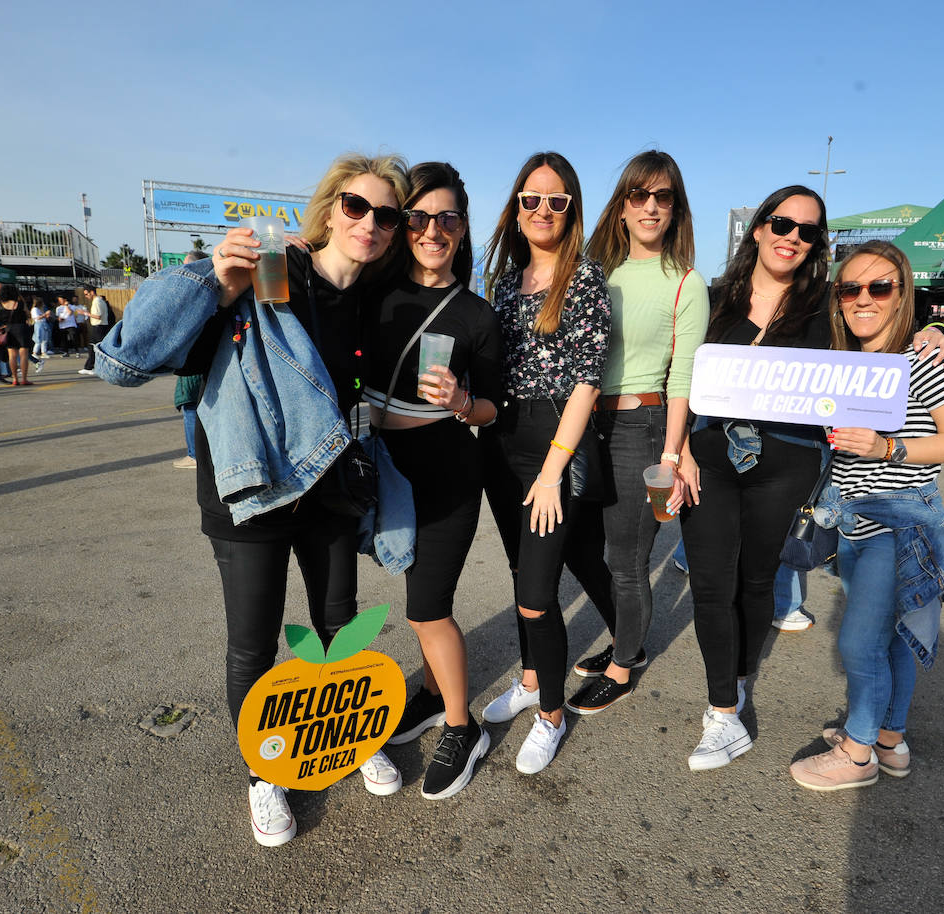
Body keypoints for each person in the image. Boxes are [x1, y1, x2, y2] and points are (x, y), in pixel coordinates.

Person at [94, 153, 411, 845]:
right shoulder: (274, 269)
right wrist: (215, 279)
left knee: (339, 627)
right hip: (251, 488)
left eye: (387, 215)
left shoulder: (374, 302)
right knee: (254, 646)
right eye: (357, 207)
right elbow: (132, 360)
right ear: (330, 209)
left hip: (327, 486)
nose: (371, 223)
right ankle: (263, 774)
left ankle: (347, 740)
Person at [669, 186, 944, 773]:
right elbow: (676, 368)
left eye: (806, 230)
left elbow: (882, 323)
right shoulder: (713, 297)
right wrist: (677, 450)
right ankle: (723, 713)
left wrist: (937, 332)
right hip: (712, 455)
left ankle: (739, 680)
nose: (791, 236)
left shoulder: (826, 305)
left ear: (816, 243)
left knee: (755, 583)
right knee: (708, 581)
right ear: (757, 228)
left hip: (787, 461)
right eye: (781, 222)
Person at [788, 239, 944, 792]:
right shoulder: (847, 364)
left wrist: (886, 447)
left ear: (901, 295)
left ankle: (858, 751)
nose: (863, 298)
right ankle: (889, 739)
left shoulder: (926, 360)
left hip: (899, 522)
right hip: (851, 516)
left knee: (858, 643)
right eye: (850, 288)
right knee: (891, 639)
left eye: (880, 287)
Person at [365, 162, 502, 799]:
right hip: (377, 465)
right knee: (404, 594)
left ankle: (460, 724)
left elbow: (495, 407)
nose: (431, 230)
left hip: (447, 467)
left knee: (426, 607)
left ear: (462, 228)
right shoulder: (373, 291)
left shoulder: (476, 315)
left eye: (446, 218)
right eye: (418, 217)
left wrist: (460, 402)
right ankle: (428, 689)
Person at [477, 151, 612, 775]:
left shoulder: (585, 278)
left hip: (556, 445)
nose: (542, 210)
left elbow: (587, 381)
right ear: (516, 206)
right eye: (531, 198)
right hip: (503, 441)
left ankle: (551, 715)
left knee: (535, 594)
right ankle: (532, 677)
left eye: (556, 200)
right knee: (516, 568)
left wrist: (554, 470)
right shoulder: (503, 282)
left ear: (572, 209)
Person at [562, 150, 709, 715]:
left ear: (676, 208)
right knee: (581, 546)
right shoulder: (594, 267)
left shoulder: (685, 282)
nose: (650, 206)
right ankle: (628, 636)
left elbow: (683, 377)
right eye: (638, 195)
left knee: (627, 558)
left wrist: (673, 453)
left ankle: (624, 664)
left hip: (642, 428)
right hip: (584, 424)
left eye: (663, 196)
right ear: (621, 206)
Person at [172, 250, 211, 469]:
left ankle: (195, 455)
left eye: (187, 265)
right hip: (203, 362)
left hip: (193, 364)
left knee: (189, 406)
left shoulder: (194, 294)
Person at [0, 288, 34, 385]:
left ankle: (15, 379)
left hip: (8, 330)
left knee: (12, 356)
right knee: (23, 355)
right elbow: (28, 314)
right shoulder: (19, 304)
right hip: (21, 329)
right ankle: (24, 379)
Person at [78, 284, 111, 376]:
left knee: (97, 348)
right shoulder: (99, 301)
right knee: (94, 348)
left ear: (92, 292)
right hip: (99, 327)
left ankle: (90, 367)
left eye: (86, 294)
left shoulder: (97, 301)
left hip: (98, 327)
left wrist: (85, 313)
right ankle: (89, 366)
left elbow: (98, 316)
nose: (86, 296)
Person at [30, 296, 54, 365]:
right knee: (38, 339)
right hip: (39, 324)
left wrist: (46, 315)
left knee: (45, 339)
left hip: (43, 324)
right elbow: (37, 318)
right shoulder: (34, 309)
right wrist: (45, 314)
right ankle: (34, 352)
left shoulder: (40, 309)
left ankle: (44, 352)